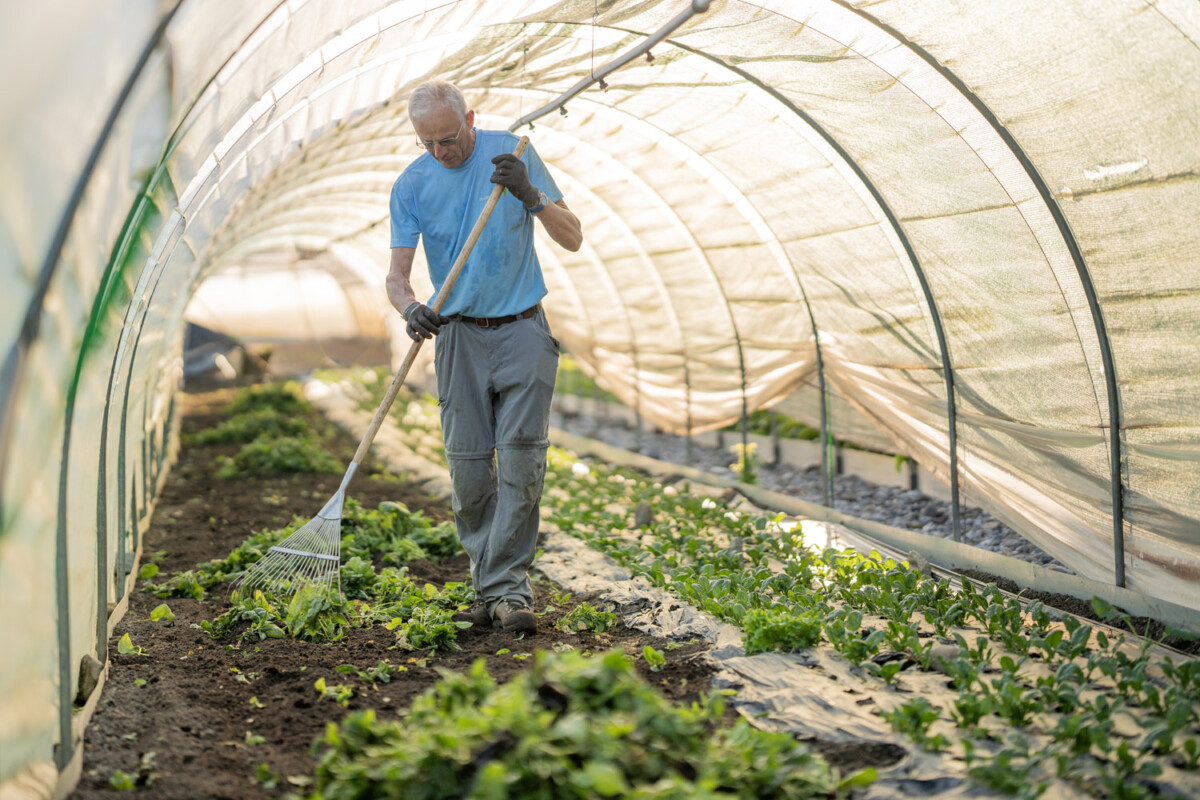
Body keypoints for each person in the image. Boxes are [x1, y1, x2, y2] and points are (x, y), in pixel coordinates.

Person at [385, 79, 583, 635]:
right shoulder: (413, 184)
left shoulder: (512, 156)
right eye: (429, 144)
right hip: (458, 337)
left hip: (523, 329)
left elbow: (573, 238)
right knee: (470, 470)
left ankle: (506, 591)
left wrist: (530, 195)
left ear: (470, 119)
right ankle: (491, 586)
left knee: (521, 464)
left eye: (449, 139)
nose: (442, 152)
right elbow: (396, 278)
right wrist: (410, 308)